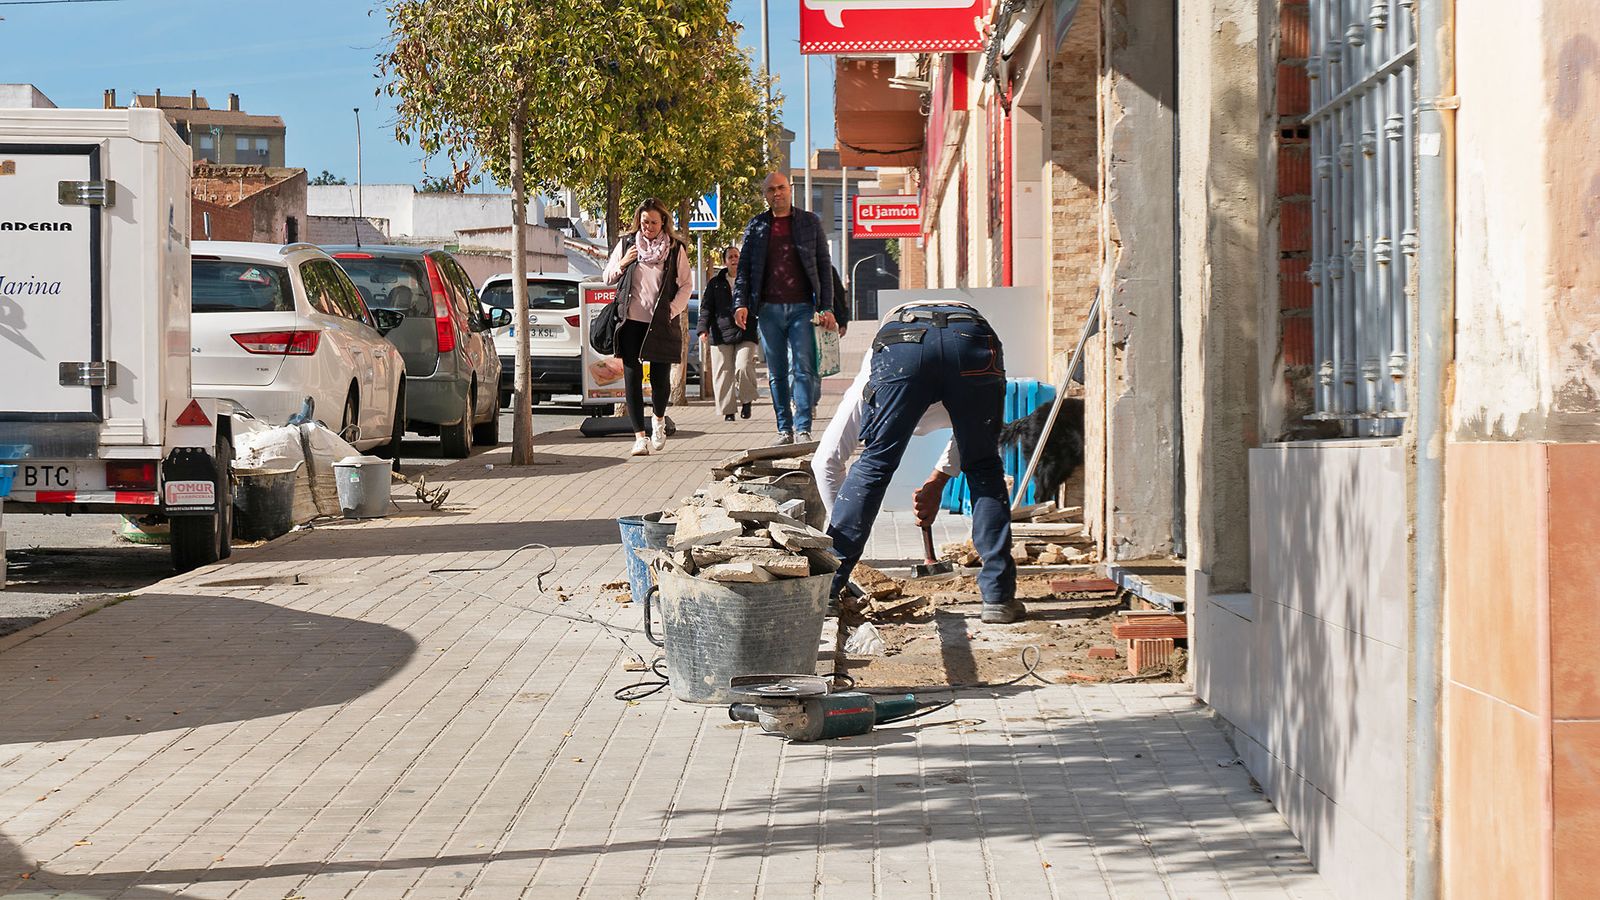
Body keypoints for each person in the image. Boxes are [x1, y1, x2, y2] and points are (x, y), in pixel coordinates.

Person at [818, 299, 1023, 624]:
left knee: (875, 464)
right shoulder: (875, 375)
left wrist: (840, 541)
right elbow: (972, 445)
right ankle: (997, 597)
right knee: (984, 467)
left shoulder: (875, 371)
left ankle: (827, 591)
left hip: (903, 350)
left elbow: (827, 461)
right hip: (972, 340)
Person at [733, 171, 836, 445]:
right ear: (765, 195)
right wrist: (740, 303)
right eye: (770, 190)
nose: (776, 193)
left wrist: (827, 307)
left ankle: (803, 428)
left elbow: (824, 268)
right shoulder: (756, 226)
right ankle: (784, 430)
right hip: (768, 311)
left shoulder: (809, 222)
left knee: (804, 368)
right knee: (776, 373)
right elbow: (743, 270)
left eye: (780, 188)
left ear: (790, 190)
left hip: (803, 308)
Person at [602, 198, 693, 457]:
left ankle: (659, 420)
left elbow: (686, 285)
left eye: (654, 222)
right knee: (631, 378)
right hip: (630, 321)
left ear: (663, 221)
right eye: (644, 222)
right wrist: (623, 263)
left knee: (659, 380)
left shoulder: (674, 249)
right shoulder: (628, 244)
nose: (648, 227)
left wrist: (671, 311)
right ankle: (639, 437)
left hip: (660, 324)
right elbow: (606, 277)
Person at [697, 245, 759, 422]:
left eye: (737, 256)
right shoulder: (715, 283)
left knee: (743, 365)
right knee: (723, 372)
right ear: (725, 261)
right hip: (720, 333)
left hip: (746, 331)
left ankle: (747, 400)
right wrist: (702, 329)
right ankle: (728, 411)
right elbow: (706, 308)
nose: (734, 259)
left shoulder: (749, 282)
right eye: (731, 257)